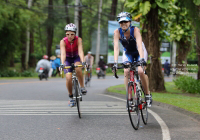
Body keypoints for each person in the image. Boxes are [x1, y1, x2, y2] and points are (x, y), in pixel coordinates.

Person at [112, 12, 152, 107]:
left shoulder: (135, 30)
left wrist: (142, 59)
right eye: (121, 22)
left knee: (141, 71)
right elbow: (116, 48)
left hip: (139, 52)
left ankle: (147, 95)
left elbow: (139, 46)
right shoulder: (117, 32)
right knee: (126, 71)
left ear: (130, 22)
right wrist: (115, 63)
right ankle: (129, 98)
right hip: (128, 53)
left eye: (125, 21)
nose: (123, 24)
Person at [60, 23, 87, 107]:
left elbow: (80, 51)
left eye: (72, 34)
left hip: (76, 58)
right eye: (67, 34)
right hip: (67, 59)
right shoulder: (63, 41)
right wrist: (62, 63)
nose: (70, 36)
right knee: (68, 77)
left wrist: (83, 61)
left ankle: (82, 87)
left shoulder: (78, 40)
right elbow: (63, 54)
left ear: (75, 34)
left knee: (78, 68)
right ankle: (71, 96)